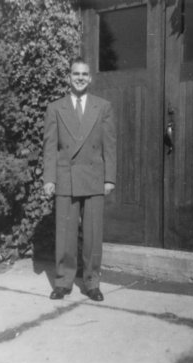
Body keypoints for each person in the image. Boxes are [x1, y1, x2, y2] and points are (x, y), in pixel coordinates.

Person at [43, 57, 116, 302]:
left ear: (90, 78)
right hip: (66, 176)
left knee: (93, 234)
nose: (80, 78)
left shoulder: (102, 106)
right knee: (65, 233)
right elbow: (50, 147)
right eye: (76, 74)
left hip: (94, 176)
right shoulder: (55, 108)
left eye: (84, 74)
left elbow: (110, 146)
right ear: (69, 77)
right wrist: (49, 178)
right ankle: (63, 282)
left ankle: (92, 282)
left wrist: (110, 178)